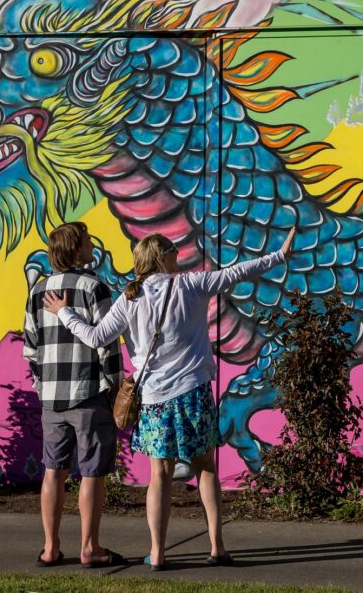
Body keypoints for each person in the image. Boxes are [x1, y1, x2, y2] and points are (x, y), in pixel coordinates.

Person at [43, 229, 295, 570]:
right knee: (205, 468)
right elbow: (235, 273)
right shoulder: (190, 285)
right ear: (162, 256)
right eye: (174, 250)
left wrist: (64, 313)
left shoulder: (129, 298)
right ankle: (217, 547)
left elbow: (96, 336)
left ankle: (158, 554)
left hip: (154, 399)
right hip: (194, 393)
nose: (179, 254)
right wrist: (277, 256)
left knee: (158, 475)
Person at [23, 221, 124, 568]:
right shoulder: (95, 288)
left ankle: (50, 548)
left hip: (51, 395)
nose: (92, 245)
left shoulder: (37, 291)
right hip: (89, 392)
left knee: (54, 470)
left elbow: (31, 347)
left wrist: (41, 385)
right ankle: (90, 548)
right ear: (76, 248)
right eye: (87, 241)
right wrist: (114, 386)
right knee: (92, 471)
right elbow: (107, 344)